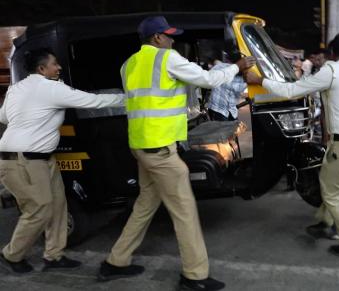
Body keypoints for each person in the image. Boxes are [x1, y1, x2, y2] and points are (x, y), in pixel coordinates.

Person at [98, 16, 255, 290]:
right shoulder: (166, 58)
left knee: (145, 205)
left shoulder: (128, 64)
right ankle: (194, 276)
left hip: (141, 146)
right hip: (161, 151)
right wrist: (236, 67)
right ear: (157, 38)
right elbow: (207, 79)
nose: (172, 39)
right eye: (168, 35)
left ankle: (116, 261)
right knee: (185, 211)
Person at [244, 33, 339, 260]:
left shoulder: (331, 70)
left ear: (331, 53)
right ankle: (324, 224)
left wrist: (260, 80)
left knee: (331, 193)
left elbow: (291, 91)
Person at [0, 48, 125, 273]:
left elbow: (4, 117)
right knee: (40, 209)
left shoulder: (15, 89)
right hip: (23, 161)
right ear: (41, 69)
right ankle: (11, 254)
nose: (58, 67)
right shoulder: (51, 88)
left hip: (41, 158)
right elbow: (93, 101)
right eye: (54, 64)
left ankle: (54, 255)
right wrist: (131, 98)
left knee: (58, 205)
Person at [207, 56, 247, 121]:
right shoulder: (222, 67)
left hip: (232, 110)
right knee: (220, 130)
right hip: (217, 109)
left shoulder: (243, 75)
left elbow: (238, 93)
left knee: (233, 129)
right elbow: (234, 87)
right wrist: (250, 81)